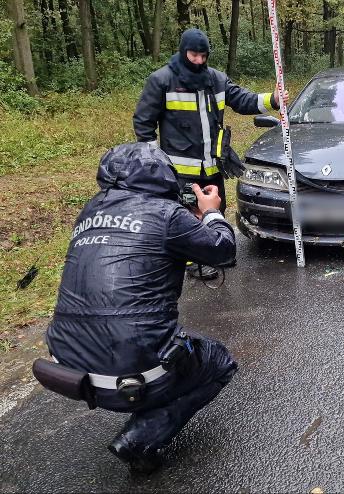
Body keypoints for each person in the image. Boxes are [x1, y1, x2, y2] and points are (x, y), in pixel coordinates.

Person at [44, 143, 238, 474]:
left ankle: (143, 415)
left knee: (165, 342)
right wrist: (211, 213)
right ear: (165, 178)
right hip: (130, 376)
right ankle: (141, 436)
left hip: (68, 367)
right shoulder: (169, 215)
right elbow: (223, 250)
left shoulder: (89, 211)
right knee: (218, 362)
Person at [133, 28, 282, 279]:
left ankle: (215, 254)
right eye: (193, 55)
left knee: (215, 210)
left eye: (203, 56)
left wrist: (273, 100)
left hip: (213, 166)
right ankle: (194, 262)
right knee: (187, 215)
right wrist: (154, 163)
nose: (199, 61)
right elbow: (143, 122)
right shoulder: (162, 80)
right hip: (180, 170)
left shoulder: (216, 79)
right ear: (183, 52)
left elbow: (243, 100)